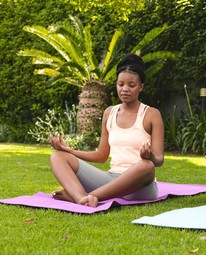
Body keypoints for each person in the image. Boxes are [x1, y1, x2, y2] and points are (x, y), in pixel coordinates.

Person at [49, 54, 164, 207]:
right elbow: (101, 155)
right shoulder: (109, 113)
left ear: (141, 86)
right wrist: (69, 150)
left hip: (140, 185)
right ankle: (81, 198)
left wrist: (150, 157)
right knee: (57, 157)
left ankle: (86, 196)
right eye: (120, 84)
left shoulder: (152, 114)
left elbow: (159, 160)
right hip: (111, 180)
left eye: (131, 85)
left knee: (147, 165)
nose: (125, 89)